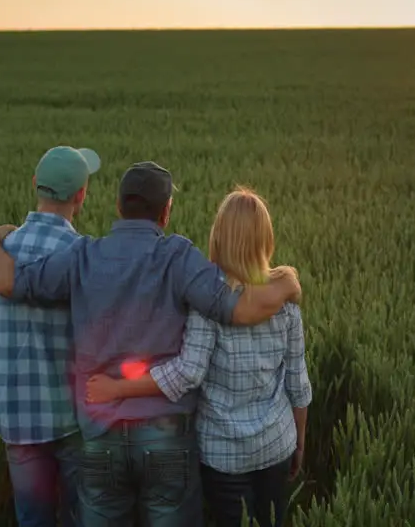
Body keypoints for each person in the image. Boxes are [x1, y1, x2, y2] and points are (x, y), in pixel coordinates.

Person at [0, 161, 302, 527]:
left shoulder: (84, 256)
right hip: (166, 439)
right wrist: (286, 284)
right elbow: (239, 310)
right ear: (166, 212)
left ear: (118, 206)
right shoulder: (178, 257)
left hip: (100, 436)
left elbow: (7, 282)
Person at [84, 187, 311, 527]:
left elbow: (189, 372)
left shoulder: (208, 303)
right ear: (267, 238)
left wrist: (117, 389)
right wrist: (299, 442)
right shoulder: (284, 302)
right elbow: (298, 383)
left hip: (223, 454)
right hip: (275, 445)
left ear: (218, 236)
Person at [0, 144, 102, 527]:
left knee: (33, 520)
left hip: (18, 422)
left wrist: (0, 383)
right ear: (81, 195)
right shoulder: (83, 255)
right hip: (76, 421)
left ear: (35, 183)